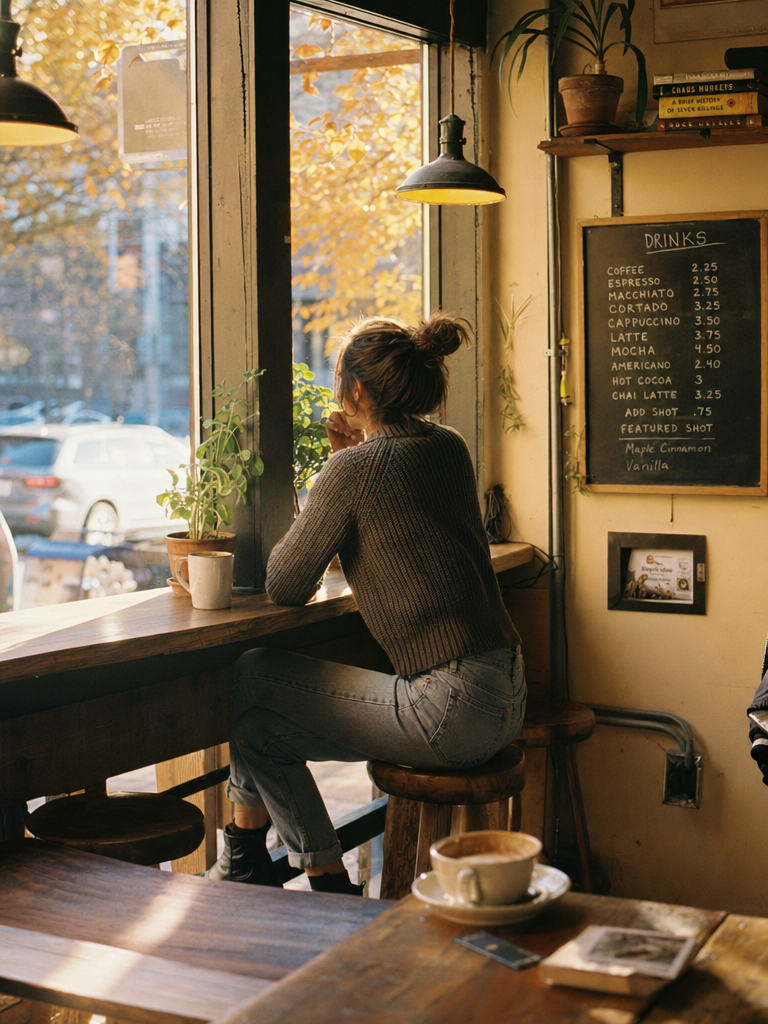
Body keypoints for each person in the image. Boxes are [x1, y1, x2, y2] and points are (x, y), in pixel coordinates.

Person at [209, 313, 527, 894]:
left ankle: (252, 858)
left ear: (356, 390)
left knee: (251, 672)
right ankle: (315, 877)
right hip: (507, 695)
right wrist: (346, 463)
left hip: (449, 708)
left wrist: (334, 468)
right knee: (257, 733)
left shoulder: (353, 469)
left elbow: (285, 583)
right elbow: (396, 524)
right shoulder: (448, 446)